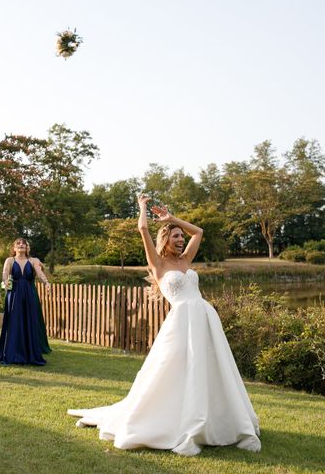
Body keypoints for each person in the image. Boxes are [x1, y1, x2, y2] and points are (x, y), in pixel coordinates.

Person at [67, 195, 261, 456]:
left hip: (204, 318)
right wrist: (143, 207)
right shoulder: (158, 264)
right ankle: (173, 419)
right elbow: (143, 229)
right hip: (181, 322)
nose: (181, 240)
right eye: (175, 236)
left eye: (182, 236)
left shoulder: (186, 261)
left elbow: (200, 232)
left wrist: (173, 219)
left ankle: (217, 421)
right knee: (172, 371)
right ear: (165, 241)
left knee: (210, 368)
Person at [0, 238, 50, 366]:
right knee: (14, 321)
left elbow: (40, 273)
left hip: (29, 294)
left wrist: (46, 282)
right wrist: (5, 280)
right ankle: (13, 352)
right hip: (14, 294)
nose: (21, 245)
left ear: (27, 248)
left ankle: (30, 352)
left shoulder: (33, 261)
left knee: (30, 321)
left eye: (23, 244)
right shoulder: (10, 260)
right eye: (18, 244)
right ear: (14, 248)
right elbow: (5, 273)